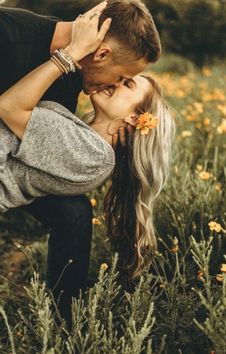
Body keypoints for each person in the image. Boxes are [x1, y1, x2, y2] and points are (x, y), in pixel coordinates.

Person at [0, 0, 163, 325]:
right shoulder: (9, 33)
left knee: (74, 211)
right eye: (122, 77)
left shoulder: (73, 79)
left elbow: (42, 144)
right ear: (101, 54)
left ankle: (61, 323)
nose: (113, 85)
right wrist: (69, 56)